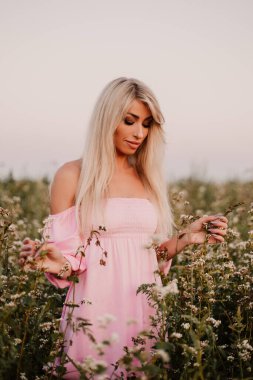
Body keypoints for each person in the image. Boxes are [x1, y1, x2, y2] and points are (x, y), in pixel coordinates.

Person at [20, 77, 228, 379]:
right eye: (130, 121)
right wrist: (55, 262)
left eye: (146, 124)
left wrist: (186, 237)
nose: (139, 133)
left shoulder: (147, 177)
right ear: (107, 119)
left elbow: (147, 255)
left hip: (144, 307)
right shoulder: (72, 175)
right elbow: (71, 263)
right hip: (94, 311)